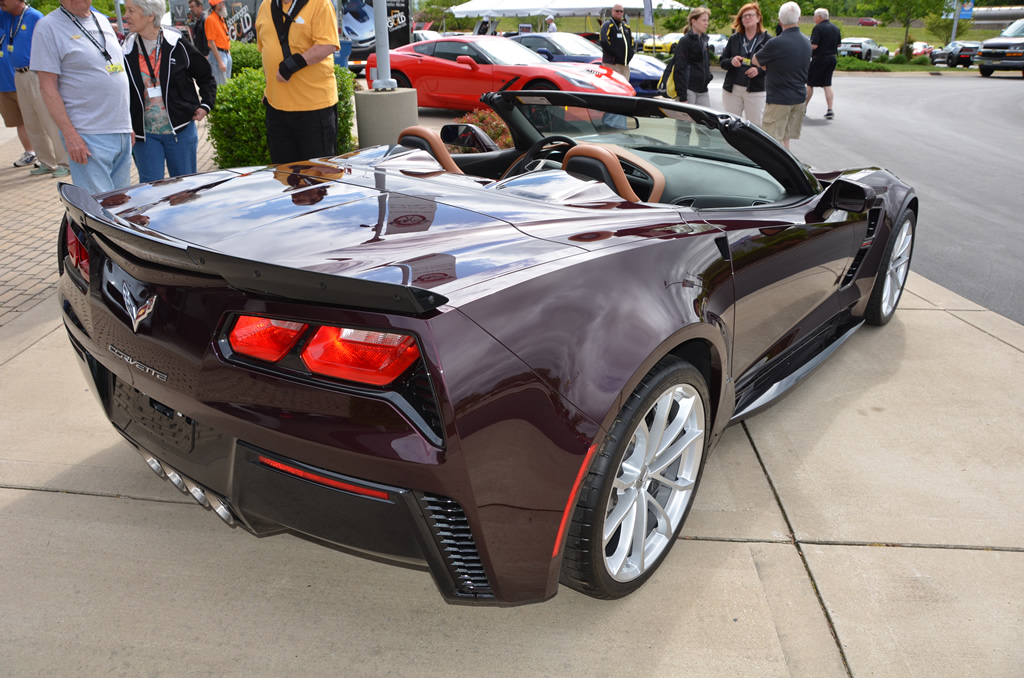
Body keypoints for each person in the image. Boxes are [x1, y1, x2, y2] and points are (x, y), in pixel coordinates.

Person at [31, 0, 132, 193]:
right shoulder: (47, 27)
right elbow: (47, 86)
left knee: (121, 207)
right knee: (98, 211)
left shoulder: (101, 21)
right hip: (87, 135)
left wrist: (128, 126)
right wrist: (70, 135)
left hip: (121, 131)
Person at [122, 0, 216, 183]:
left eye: (131, 10)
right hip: (145, 136)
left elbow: (205, 76)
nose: (125, 16)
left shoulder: (177, 44)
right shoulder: (126, 50)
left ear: (150, 16)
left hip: (180, 131)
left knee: (185, 188)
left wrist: (206, 105)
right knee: (151, 190)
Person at [255, 0, 339, 164]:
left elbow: (327, 45)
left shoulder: (320, 4)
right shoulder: (265, 6)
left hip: (314, 108)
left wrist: (293, 65)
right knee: (284, 175)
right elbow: (266, 50)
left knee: (317, 177)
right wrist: (269, 88)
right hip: (276, 109)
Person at [752, 1, 810, 150]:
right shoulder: (806, 42)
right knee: (785, 139)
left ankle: (774, 172)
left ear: (780, 21)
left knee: (771, 142)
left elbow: (755, 60)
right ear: (799, 19)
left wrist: (769, 67)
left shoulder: (776, 43)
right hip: (798, 98)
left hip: (779, 99)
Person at [719, 3, 771, 127]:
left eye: (750, 15)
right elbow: (722, 61)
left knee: (756, 126)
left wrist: (759, 71)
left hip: (755, 90)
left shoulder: (767, 40)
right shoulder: (735, 39)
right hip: (733, 89)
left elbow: (773, 66)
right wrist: (731, 61)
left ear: (758, 18)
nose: (747, 18)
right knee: (730, 126)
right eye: (744, 16)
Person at [0, 0, 35, 168]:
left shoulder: (30, 17)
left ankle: (55, 158)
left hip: (26, 76)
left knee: (37, 120)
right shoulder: (6, 18)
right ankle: (30, 152)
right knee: (18, 121)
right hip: (5, 83)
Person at [671, 6, 712, 106]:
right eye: (703, 20)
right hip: (689, 89)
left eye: (707, 20)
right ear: (694, 21)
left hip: (703, 90)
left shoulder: (704, 40)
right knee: (686, 121)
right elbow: (679, 68)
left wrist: (708, 77)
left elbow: (706, 63)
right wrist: (682, 96)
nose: (706, 23)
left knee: (707, 119)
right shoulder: (685, 41)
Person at [807, 7, 841, 120]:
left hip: (819, 58)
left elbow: (814, 45)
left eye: (815, 16)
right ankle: (830, 109)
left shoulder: (818, 28)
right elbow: (839, 45)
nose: (814, 19)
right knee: (827, 84)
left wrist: (806, 47)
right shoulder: (835, 28)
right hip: (832, 58)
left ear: (820, 17)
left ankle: (803, 107)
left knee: (810, 83)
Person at [600, 4, 632, 80]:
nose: (619, 13)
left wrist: (630, 54)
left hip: (624, 65)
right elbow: (604, 41)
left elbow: (631, 42)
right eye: (617, 11)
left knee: (625, 87)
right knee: (612, 86)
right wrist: (615, 54)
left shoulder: (626, 27)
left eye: (621, 11)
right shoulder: (607, 25)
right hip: (612, 64)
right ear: (612, 11)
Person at [205, 0, 231, 86]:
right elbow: (211, 42)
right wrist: (220, 61)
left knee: (226, 84)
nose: (224, 5)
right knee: (221, 85)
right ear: (218, 6)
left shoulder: (220, 19)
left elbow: (224, 37)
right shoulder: (211, 19)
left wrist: (228, 52)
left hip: (225, 54)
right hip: (219, 56)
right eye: (222, 3)